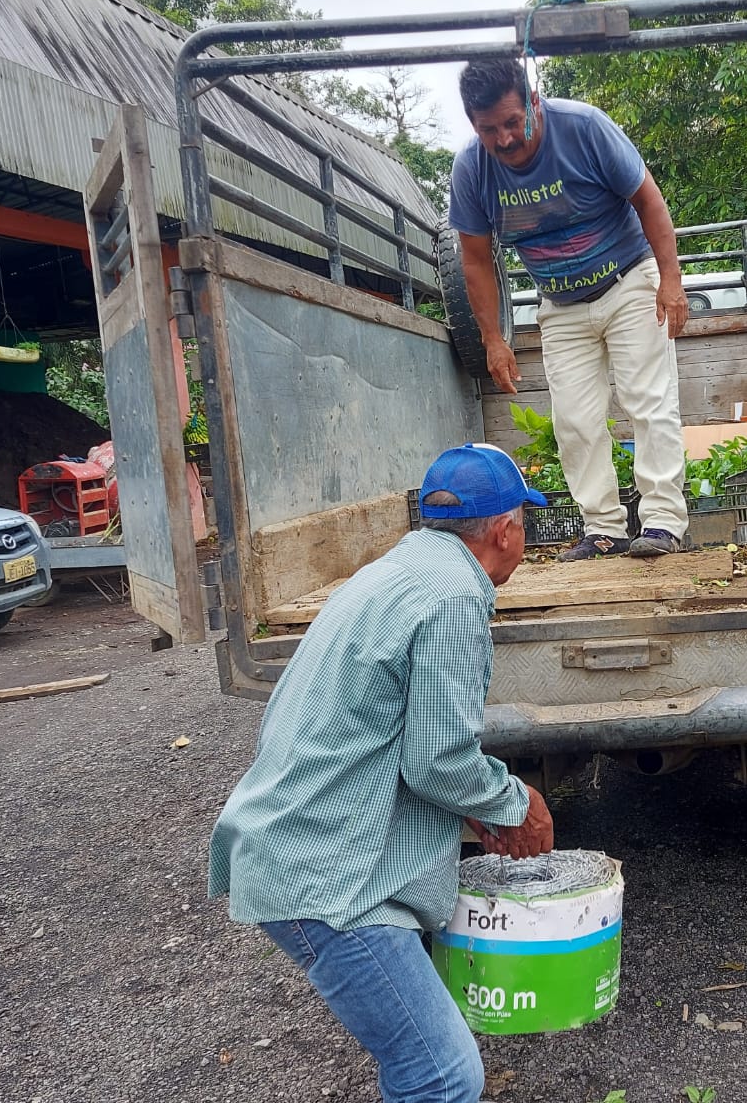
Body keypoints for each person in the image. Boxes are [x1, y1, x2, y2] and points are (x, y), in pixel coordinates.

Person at [208, 443, 556, 1103]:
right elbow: (438, 761)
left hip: (298, 845)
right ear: (505, 531)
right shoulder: (455, 596)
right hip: (329, 880)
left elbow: (392, 735)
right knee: (441, 1075)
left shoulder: (395, 571)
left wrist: (473, 805)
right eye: (524, 523)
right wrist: (516, 802)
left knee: (422, 1058)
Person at [449, 59, 690, 561]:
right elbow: (474, 259)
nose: (505, 139)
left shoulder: (584, 127)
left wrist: (670, 280)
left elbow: (649, 200)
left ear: (534, 102)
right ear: (473, 125)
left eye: (513, 122)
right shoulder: (471, 169)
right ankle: (604, 529)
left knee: (648, 401)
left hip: (628, 281)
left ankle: (663, 523)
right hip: (560, 303)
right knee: (574, 421)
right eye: (489, 129)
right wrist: (493, 339)